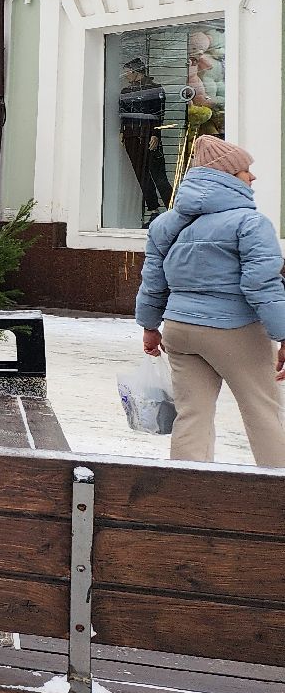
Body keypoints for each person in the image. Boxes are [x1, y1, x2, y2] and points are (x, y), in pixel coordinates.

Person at [137, 135, 285, 467]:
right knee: (263, 412)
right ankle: (278, 495)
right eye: (246, 170)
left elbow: (153, 279)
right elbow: (261, 284)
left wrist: (149, 325)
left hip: (179, 331)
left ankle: (190, 500)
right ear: (228, 178)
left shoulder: (167, 225)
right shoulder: (250, 223)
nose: (253, 177)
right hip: (235, 330)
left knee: (192, 417)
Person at [118, 58, 172, 218]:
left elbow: (159, 113)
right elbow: (123, 113)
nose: (126, 75)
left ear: (136, 71)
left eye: (128, 71)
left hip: (148, 134)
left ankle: (173, 208)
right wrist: (123, 131)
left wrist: (156, 133)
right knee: (141, 174)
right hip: (131, 135)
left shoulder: (155, 89)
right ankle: (153, 209)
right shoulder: (126, 91)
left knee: (158, 173)